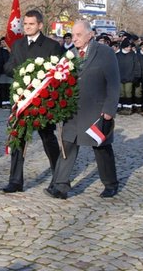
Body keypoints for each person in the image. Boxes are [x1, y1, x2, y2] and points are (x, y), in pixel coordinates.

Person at [45, 19, 120, 200]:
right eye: (73, 35)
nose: (75, 38)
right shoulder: (69, 54)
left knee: (101, 148)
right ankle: (61, 186)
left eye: (79, 35)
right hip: (73, 111)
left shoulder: (105, 53)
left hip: (96, 111)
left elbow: (114, 83)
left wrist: (109, 109)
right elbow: (60, 80)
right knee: (68, 145)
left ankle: (110, 184)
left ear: (90, 35)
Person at [2, 9, 63, 193]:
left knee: (48, 139)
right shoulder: (18, 45)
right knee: (17, 139)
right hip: (21, 100)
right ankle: (15, 181)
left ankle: (58, 177)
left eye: (31, 24)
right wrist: (21, 73)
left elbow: (59, 72)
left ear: (40, 25)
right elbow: (9, 66)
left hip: (43, 101)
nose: (27, 27)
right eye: (25, 24)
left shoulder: (52, 46)